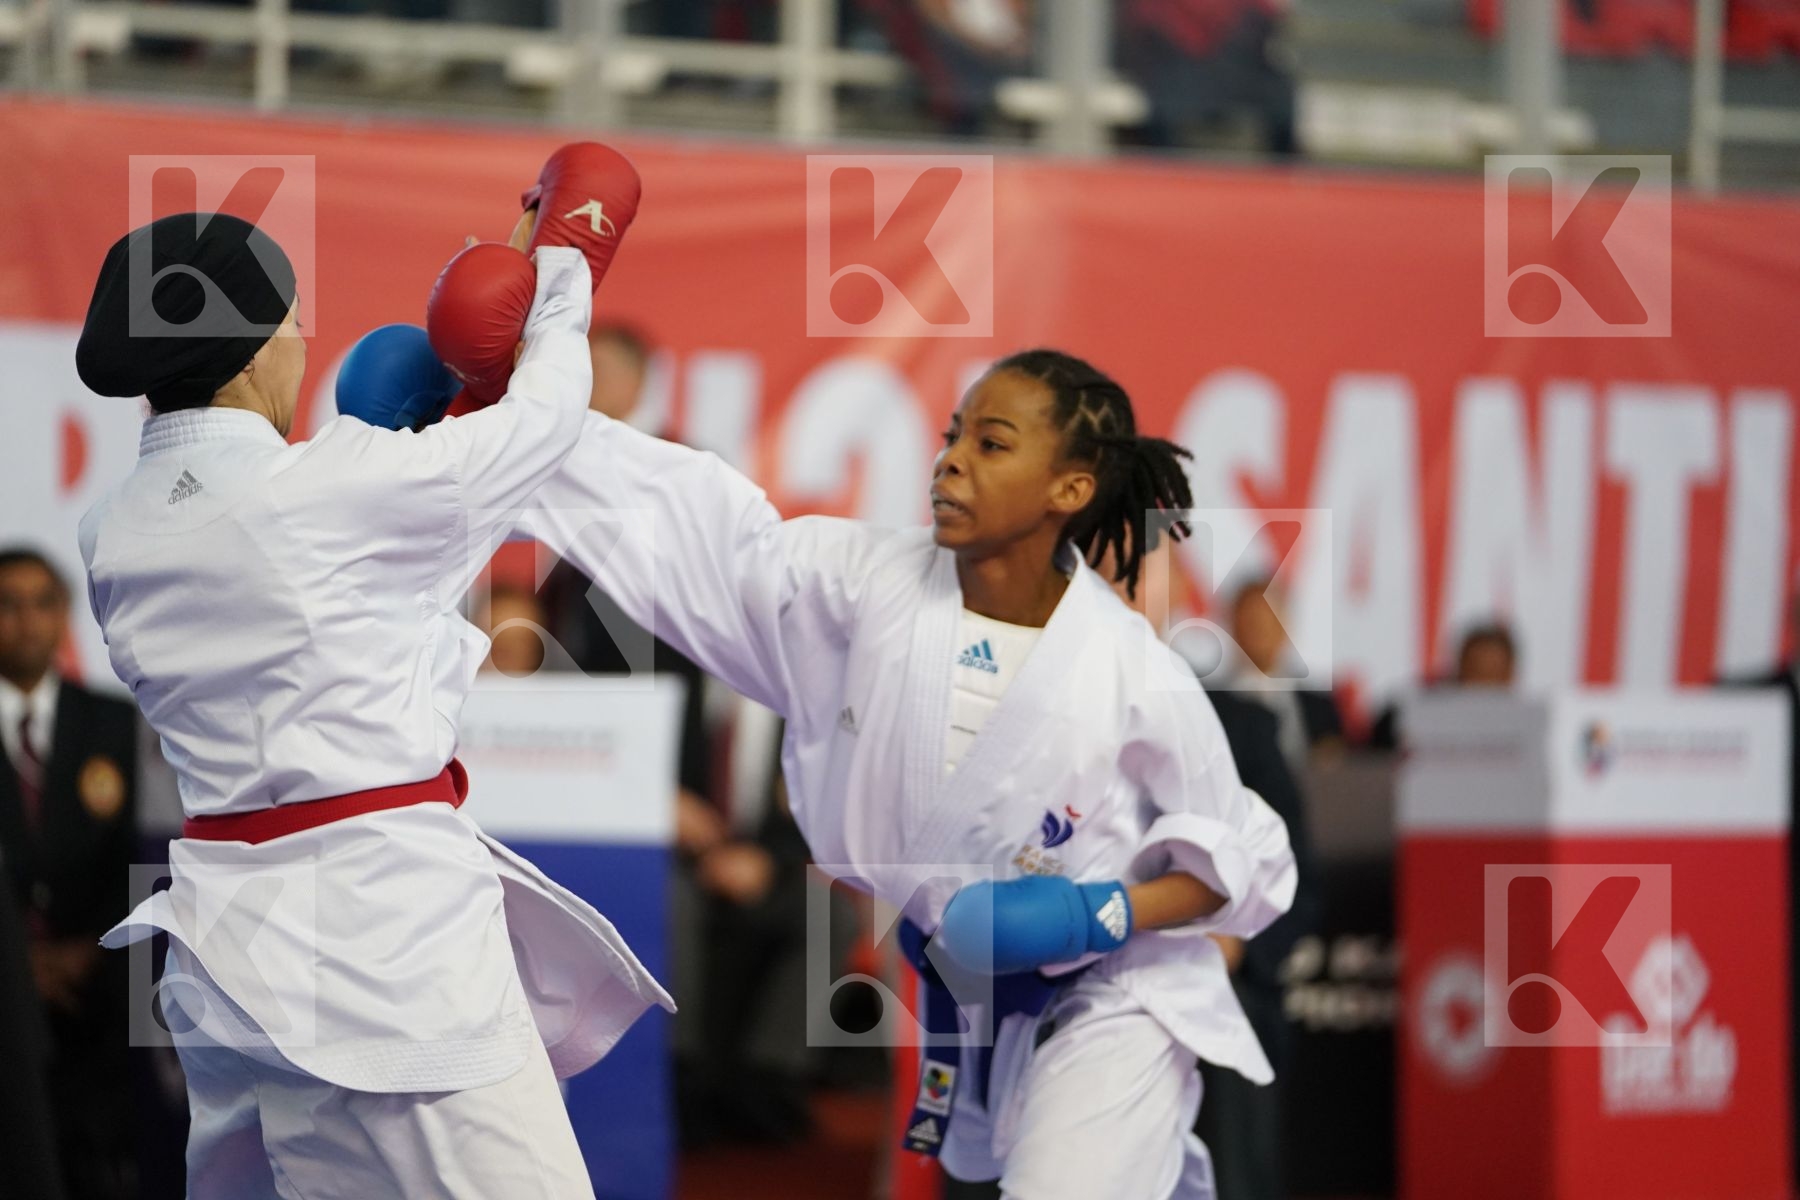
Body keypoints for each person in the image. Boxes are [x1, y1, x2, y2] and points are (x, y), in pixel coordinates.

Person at [516, 348, 1296, 1197]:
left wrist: (1093, 913)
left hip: (1115, 992)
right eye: (953, 434)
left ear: (1069, 489)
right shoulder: (862, 587)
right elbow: (697, 528)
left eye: (992, 444)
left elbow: (1239, 863)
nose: (951, 458)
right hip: (964, 980)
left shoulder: (1133, 673)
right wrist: (517, 419)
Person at [72, 210, 670, 1198]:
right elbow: (543, 424)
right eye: (297, 319)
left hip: (224, 948)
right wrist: (565, 271)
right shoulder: (330, 488)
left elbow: (303, 559)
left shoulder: (111, 528)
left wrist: (385, 441)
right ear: (259, 340)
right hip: (384, 951)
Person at [0, 546, 137, 1200]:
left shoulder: (116, 724)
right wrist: (19, 965)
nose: (25, 621)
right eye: (7, 605)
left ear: (64, 616)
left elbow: (140, 858)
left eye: (40, 604)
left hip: (99, 1008)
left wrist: (92, 954)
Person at [1213, 576, 1344, 776]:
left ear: (1285, 626)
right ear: (1233, 625)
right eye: (1252, 623)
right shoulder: (1211, 706)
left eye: (1269, 621)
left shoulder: (1321, 709)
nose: (1261, 632)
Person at [1366, 621, 1516, 751]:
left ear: (1509, 675)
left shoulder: (1523, 727)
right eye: (1476, 669)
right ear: (1460, 667)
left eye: (1490, 673)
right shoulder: (1419, 708)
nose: (1482, 684)